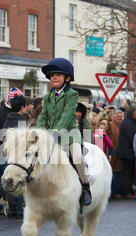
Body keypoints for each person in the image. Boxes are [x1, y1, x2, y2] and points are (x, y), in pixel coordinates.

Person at [36, 58, 91, 206]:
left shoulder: (72, 94)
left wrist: (55, 132)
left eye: (58, 74)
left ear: (67, 78)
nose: (54, 77)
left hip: (70, 133)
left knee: (78, 157)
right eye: (52, 75)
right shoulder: (48, 96)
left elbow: (67, 116)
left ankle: (85, 187)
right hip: (52, 134)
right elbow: (43, 116)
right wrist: (40, 131)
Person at [3, 95, 29, 218]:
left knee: (10, 180)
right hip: (20, 155)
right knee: (20, 181)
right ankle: (19, 209)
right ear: (23, 107)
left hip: (9, 155)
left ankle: (11, 209)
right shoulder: (22, 121)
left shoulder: (7, 119)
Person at [116, 107, 136, 200]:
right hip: (127, 152)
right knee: (127, 173)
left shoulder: (130, 122)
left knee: (129, 173)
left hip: (129, 152)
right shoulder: (128, 123)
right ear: (133, 114)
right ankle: (126, 191)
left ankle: (128, 189)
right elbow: (132, 138)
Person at [108, 110, 124, 199]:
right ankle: (111, 192)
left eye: (121, 117)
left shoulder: (122, 126)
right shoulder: (110, 125)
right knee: (112, 173)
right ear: (113, 117)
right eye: (118, 117)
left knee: (119, 173)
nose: (120, 118)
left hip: (120, 153)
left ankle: (117, 191)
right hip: (112, 153)